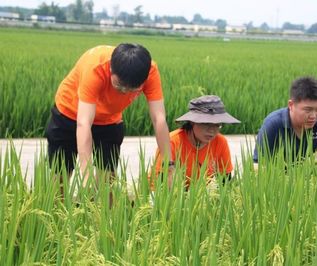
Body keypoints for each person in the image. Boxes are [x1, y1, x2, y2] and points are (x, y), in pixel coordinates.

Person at [45, 43, 172, 191]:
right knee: (60, 174)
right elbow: (84, 122)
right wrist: (86, 174)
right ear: (111, 69)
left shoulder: (150, 71)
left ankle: (102, 212)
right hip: (69, 114)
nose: (124, 92)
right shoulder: (95, 67)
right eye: (119, 85)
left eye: (132, 89)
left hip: (109, 120)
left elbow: (159, 119)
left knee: (107, 180)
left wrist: (169, 165)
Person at [253, 76, 317, 164]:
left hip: (315, 176)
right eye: (308, 110)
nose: (314, 116)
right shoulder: (274, 124)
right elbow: (257, 166)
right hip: (283, 178)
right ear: (291, 105)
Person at [151, 95, 240, 189]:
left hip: (203, 196)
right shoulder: (172, 141)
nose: (212, 130)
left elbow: (225, 180)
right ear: (192, 122)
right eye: (206, 124)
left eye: (217, 125)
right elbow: (160, 181)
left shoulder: (220, 142)